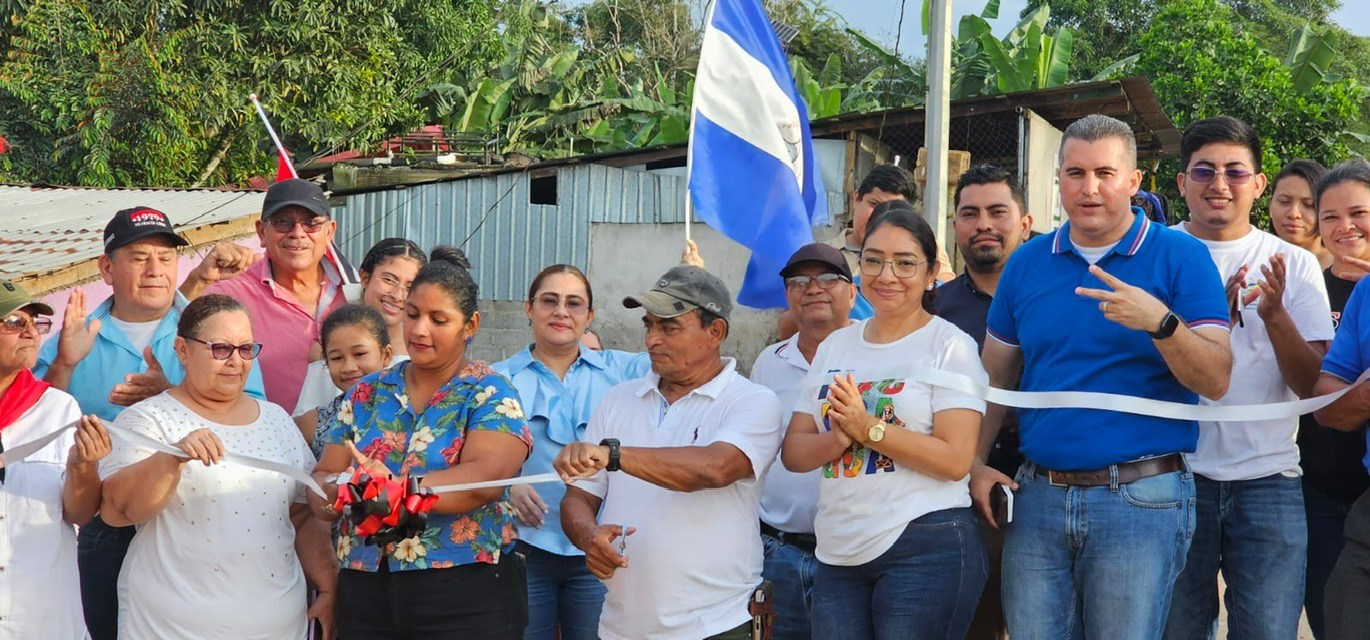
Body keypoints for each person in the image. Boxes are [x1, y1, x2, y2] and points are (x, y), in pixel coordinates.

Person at [969, 114, 1233, 638]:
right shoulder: (1026, 263)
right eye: (1075, 173)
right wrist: (972, 463)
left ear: (1134, 182)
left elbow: (1216, 378)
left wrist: (1160, 324)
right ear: (1059, 180)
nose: (1089, 189)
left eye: (1105, 174)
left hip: (1141, 499)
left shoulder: (1182, 256)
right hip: (1038, 498)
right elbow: (993, 377)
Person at [32, 205, 265, 640]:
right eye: (139, 257)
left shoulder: (210, 328)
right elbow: (37, 425)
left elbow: (255, 417)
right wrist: (64, 363)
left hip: (199, 517)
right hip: (104, 522)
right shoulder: (77, 334)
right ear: (107, 267)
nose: (156, 270)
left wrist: (169, 395)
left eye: (166, 257)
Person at [781, 207, 988, 639]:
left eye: (905, 262)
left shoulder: (950, 346)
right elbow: (795, 453)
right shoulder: (836, 346)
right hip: (838, 550)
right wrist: (837, 439)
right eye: (873, 260)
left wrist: (868, 428)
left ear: (932, 272)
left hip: (923, 542)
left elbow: (955, 461)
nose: (886, 274)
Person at [1163, 115, 1332, 639]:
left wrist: (1275, 315)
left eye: (1235, 172)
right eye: (1204, 171)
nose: (1219, 185)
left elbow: (1313, 388)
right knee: (1177, 630)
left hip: (1269, 479)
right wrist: (1203, 327)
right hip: (1171, 477)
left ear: (1258, 184)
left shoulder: (1293, 265)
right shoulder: (1154, 255)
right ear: (1181, 182)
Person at [309, 253, 533, 639]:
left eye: (438, 320)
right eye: (412, 314)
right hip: (367, 588)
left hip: (464, 591)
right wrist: (344, 488)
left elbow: (484, 480)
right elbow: (322, 483)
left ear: (471, 325)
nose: (419, 330)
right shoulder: (366, 393)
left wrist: (393, 487)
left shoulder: (490, 393)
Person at [555, 265, 783, 639]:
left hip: (716, 625)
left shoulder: (752, 401)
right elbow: (579, 496)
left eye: (669, 327)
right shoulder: (618, 399)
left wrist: (613, 455)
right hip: (621, 627)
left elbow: (714, 468)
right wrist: (588, 535)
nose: (651, 340)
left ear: (715, 332)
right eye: (649, 326)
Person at [97, 294, 336, 639]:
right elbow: (118, 510)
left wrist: (327, 586)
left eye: (246, 349)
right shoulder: (148, 419)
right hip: (171, 626)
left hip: (278, 623)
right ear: (182, 350)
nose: (235, 362)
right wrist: (171, 458)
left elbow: (301, 517)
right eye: (221, 348)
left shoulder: (276, 420)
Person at [493, 264, 650, 640]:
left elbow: (684, 358)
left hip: (600, 547)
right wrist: (507, 485)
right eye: (550, 301)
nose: (561, 311)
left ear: (590, 315)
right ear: (529, 308)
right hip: (524, 546)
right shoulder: (497, 379)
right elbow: (465, 455)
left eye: (574, 303)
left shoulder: (626, 370)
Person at [939, 164, 1034, 640]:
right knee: (977, 623)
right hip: (962, 496)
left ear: (1025, 222)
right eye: (969, 213)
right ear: (954, 225)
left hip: (1048, 485)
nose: (983, 224)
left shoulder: (1053, 296)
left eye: (998, 211)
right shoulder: (933, 309)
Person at [750, 243, 856, 639]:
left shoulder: (878, 356)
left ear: (853, 293)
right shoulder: (768, 362)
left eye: (828, 278)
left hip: (853, 555)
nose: (813, 288)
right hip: (781, 553)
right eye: (799, 281)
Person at [0, 280, 111, 639]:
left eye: (36, 323)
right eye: (15, 322)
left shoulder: (56, 408)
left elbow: (78, 513)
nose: (31, 333)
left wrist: (84, 466)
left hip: (43, 619)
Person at [203, 178, 348, 412]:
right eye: (283, 223)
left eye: (311, 224)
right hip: (262, 443)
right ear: (261, 232)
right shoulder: (228, 297)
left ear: (330, 231)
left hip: (349, 444)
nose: (298, 233)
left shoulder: (355, 291)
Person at [1303, 159, 1370, 638]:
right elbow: (1326, 402)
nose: (1345, 227)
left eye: (1359, 212)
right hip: (1340, 495)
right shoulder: (1362, 293)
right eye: (1330, 216)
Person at [291, 239, 428, 416]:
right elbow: (306, 426)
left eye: (410, 286)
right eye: (388, 280)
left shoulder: (424, 356)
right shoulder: (330, 348)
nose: (397, 295)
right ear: (364, 277)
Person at [294, 304, 394, 458]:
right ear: (326, 362)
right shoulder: (312, 424)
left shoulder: (412, 411)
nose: (349, 367)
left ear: (386, 355)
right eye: (337, 358)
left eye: (359, 354)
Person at [1271, 160, 1333, 270]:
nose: (1294, 214)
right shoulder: (1252, 260)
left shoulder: (1346, 270)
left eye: (1308, 205)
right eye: (1284, 202)